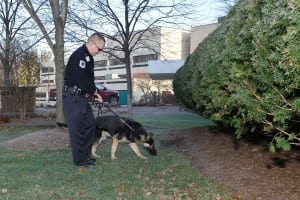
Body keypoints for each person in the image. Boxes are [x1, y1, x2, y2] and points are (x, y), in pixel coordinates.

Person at [62, 32, 105, 168]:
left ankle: (86, 155)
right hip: (72, 97)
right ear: (91, 43)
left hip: (81, 97)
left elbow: (89, 80)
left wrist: (96, 93)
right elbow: (81, 80)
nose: (100, 52)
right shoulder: (79, 56)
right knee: (77, 129)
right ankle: (80, 160)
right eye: (99, 49)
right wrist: (93, 91)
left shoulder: (89, 58)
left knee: (90, 125)